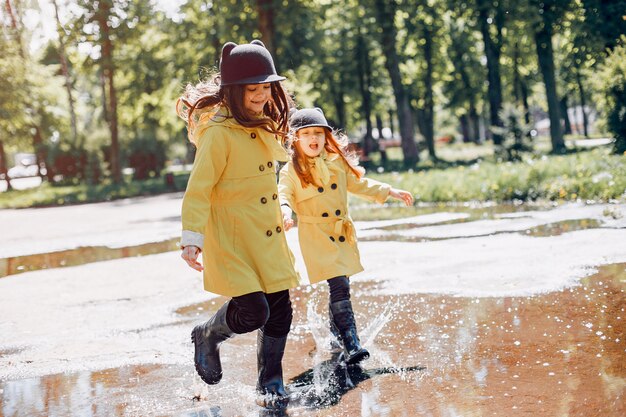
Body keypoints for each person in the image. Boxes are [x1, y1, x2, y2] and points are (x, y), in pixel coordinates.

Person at [176, 40, 300, 410]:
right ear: (233, 91)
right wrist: (191, 240)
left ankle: (270, 382)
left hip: (265, 233)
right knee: (253, 311)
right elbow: (198, 190)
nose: (262, 96)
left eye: (266, 88)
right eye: (254, 89)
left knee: (281, 310)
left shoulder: (263, 126)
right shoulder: (217, 133)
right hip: (231, 237)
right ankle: (207, 335)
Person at [278, 108, 413, 365]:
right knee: (339, 284)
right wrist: (285, 212)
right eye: (306, 134)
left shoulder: (335, 161)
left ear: (326, 136)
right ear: (295, 139)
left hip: (342, 231)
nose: (313, 138)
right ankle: (352, 342)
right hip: (317, 235)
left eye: (318, 132)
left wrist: (390, 191)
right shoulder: (291, 170)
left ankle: (335, 334)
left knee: (341, 285)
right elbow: (283, 194)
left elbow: (359, 184)